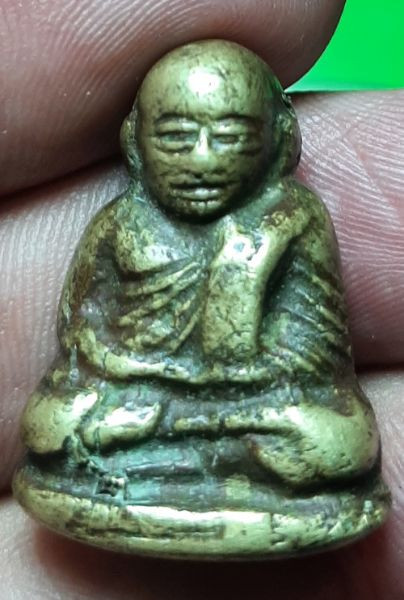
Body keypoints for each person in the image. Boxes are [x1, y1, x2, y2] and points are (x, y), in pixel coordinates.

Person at [1, 0, 403, 596]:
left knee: (343, 443)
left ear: (275, 141)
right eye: (176, 137)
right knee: (51, 424)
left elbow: (316, 356)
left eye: (231, 136)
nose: (203, 161)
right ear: (136, 142)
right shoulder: (120, 225)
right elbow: (81, 339)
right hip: (143, 398)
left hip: (255, 407)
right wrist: (135, 373)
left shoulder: (293, 220)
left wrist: (246, 290)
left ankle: (148, 471)